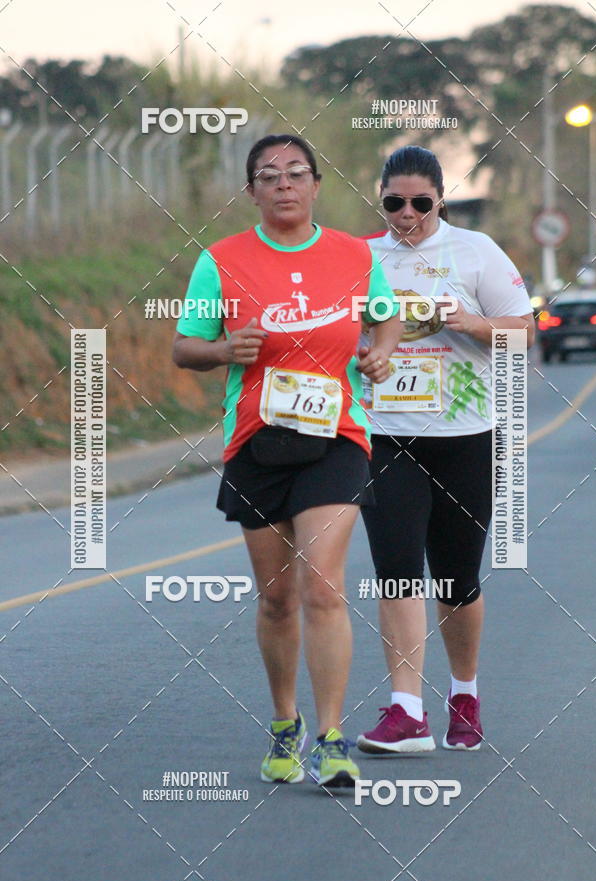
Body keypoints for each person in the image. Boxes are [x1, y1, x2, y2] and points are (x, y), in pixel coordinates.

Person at [173, 134, 402, 787]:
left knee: (321, 587)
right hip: (257, 440)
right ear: (251, 191)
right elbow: (186, 347)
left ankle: (332, 739)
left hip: (336, 437)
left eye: (296, 173)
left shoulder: (355, 256)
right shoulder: (221, 261)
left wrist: (380, 350)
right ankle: (285, 721)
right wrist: (224, 351)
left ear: (316, 183)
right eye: (268, 176)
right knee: (276, 598)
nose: (283, 184)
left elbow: (385, 319)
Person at [356, 145, 534, 754]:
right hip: (385, 436)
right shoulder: (360, 258)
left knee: (457, 578)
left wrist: (472, 323)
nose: (405, 214)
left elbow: (524, 329)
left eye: (420, 203)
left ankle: (464, 693)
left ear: (440, 201)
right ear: (379, 200)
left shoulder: (475, 251)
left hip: (466, 438)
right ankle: (408, 710)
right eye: (393, 203)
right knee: (397, 569)